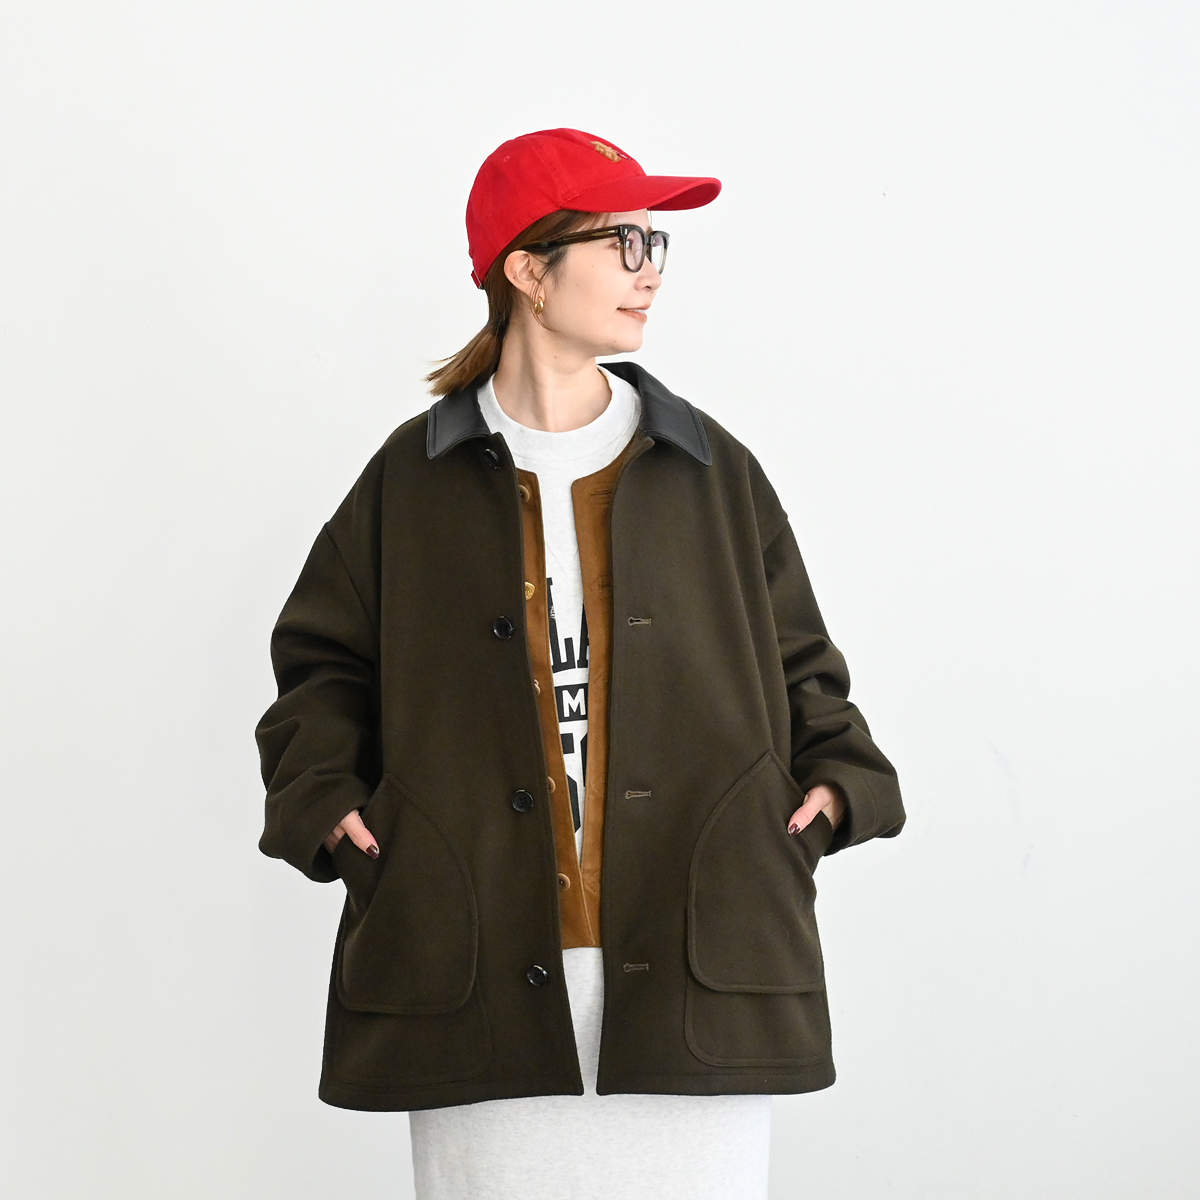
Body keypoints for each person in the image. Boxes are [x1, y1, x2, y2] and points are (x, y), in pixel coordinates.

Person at [255, 127, 906, 1200]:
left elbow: (804, 669)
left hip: (700, 955)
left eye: (657, 245)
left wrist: (832, 790)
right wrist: (329, 806)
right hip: (474, 966)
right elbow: (321, 664)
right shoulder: (411, 482)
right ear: (529, 269)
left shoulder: (710, 470)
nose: (651, 271)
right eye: (623, 243)